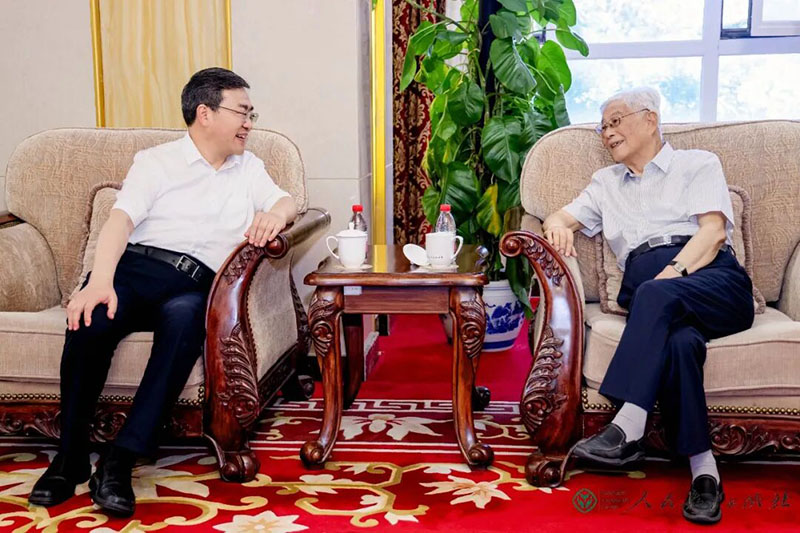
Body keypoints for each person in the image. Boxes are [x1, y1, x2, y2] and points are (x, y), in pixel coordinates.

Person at [28, 67, 297, 516]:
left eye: (252, 114)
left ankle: (119, 461)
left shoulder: (248, 168)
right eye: (242, 112)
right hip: (138, 270)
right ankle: (69, 457)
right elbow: (120, 222)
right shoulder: (157, 162)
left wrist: (276, 215)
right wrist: (99, 282)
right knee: (90, 321)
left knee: (186, 319)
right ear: (205, 113)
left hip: (195, 284)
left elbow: (285, 201)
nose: (249, 123)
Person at [542, 87, 754, 525]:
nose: (607, 132)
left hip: (713, 279)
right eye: (603, 126)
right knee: (680, 344)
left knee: (654, 296)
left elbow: (713, 233)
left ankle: (628, 424)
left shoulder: (697, 163)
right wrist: (557, 225)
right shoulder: (605, 183)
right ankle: (705, 474)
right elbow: (561, 216)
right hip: (651, 290)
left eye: (616, 120)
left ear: (650, 119)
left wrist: (670, 277)